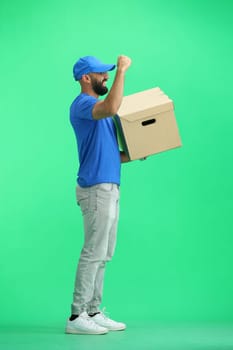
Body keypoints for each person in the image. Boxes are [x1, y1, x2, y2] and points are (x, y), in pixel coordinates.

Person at [66, 55, 132, 335]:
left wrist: (137, 150)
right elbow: (112, 105)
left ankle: (93, 310)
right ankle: (76, 316)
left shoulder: (102, 114)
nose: (106, 76)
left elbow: (113, 155)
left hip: (110, 186)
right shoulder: (83, 105)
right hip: (95, 188)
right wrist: (122, 71)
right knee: (93, 252)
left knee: (104, 253)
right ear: (85, 78)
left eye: (109, 72)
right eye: (101, 73)